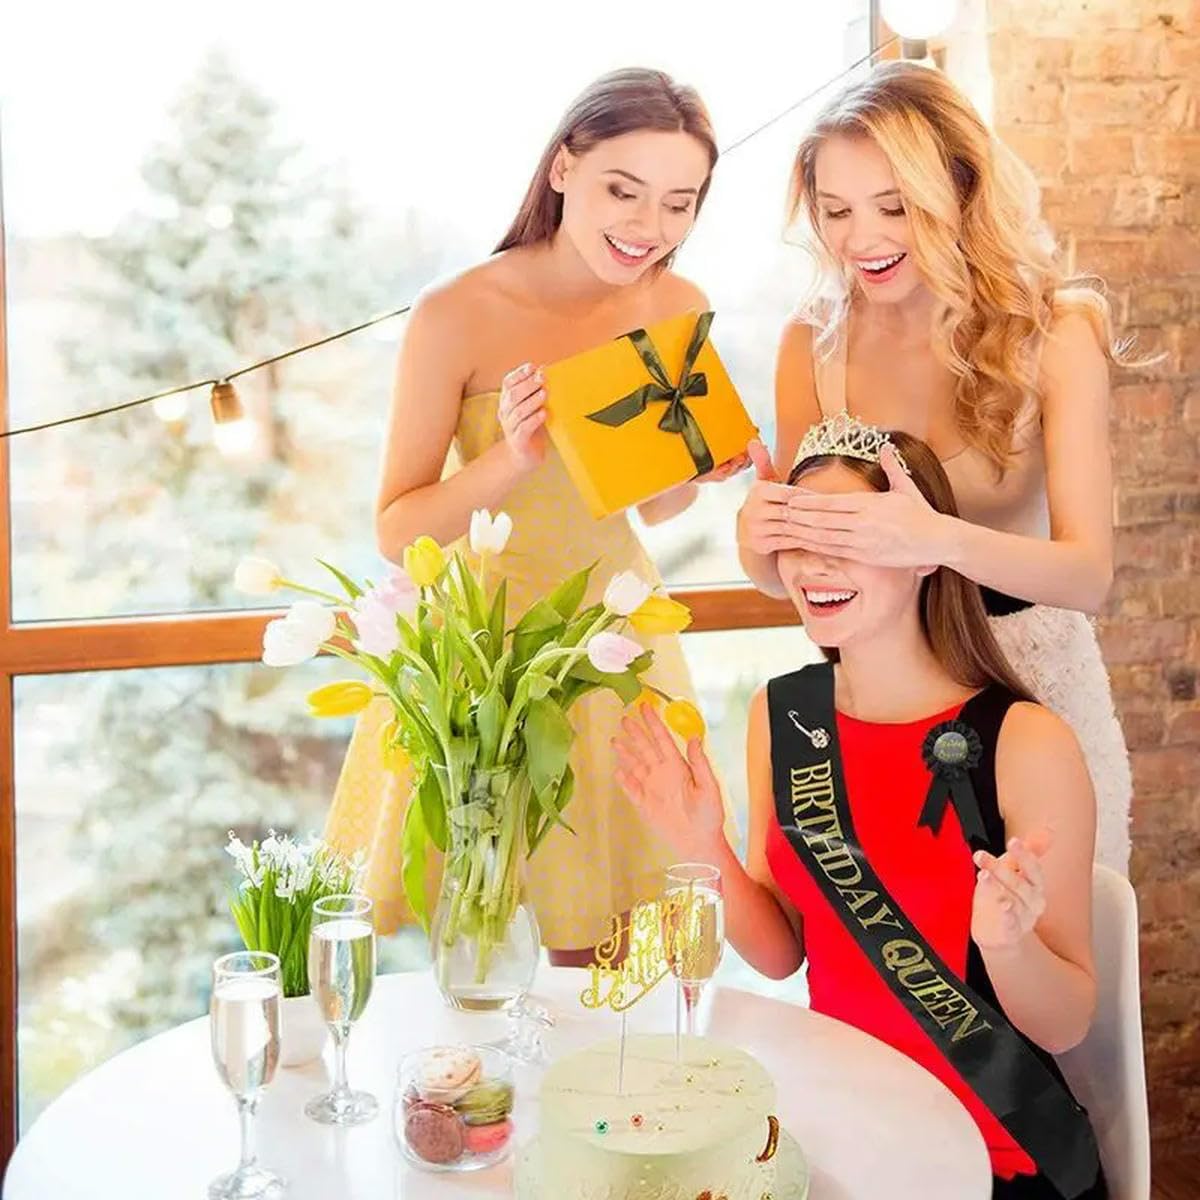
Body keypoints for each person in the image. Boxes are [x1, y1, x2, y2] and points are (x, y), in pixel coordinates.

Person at [618, 417, 1107, 1199]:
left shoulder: (1025, 740)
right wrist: (699, 843)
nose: (814, 566)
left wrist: (1009, 947)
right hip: (847, 1133)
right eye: (797, 537)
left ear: (923, 551)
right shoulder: (783, 716)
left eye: (846, 535)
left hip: (993, 1152)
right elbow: (783, 952)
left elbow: (1067, 1021)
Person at [323, 68, 748, 961]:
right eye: (623, 191)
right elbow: (399, 531)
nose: (649, 227)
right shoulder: (456, 313)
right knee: (485, 941)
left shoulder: (679, 306)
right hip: (485, 655)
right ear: (562, 169)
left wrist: (698, 474)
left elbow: (652, 504)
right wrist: (507, 460)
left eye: (679, 204)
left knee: (619, 951)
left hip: (614, 640)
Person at [737, 61, 1132, 873]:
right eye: (837, 210)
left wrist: (933, 539)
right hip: (880, 706)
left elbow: (1089, 575)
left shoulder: (1054, 334)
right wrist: (758, 538)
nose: (862, 239)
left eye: (896, 206)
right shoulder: (810, 345)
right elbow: (792, 574)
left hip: (1036, 690)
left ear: (959, 192)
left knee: (1052, 940)